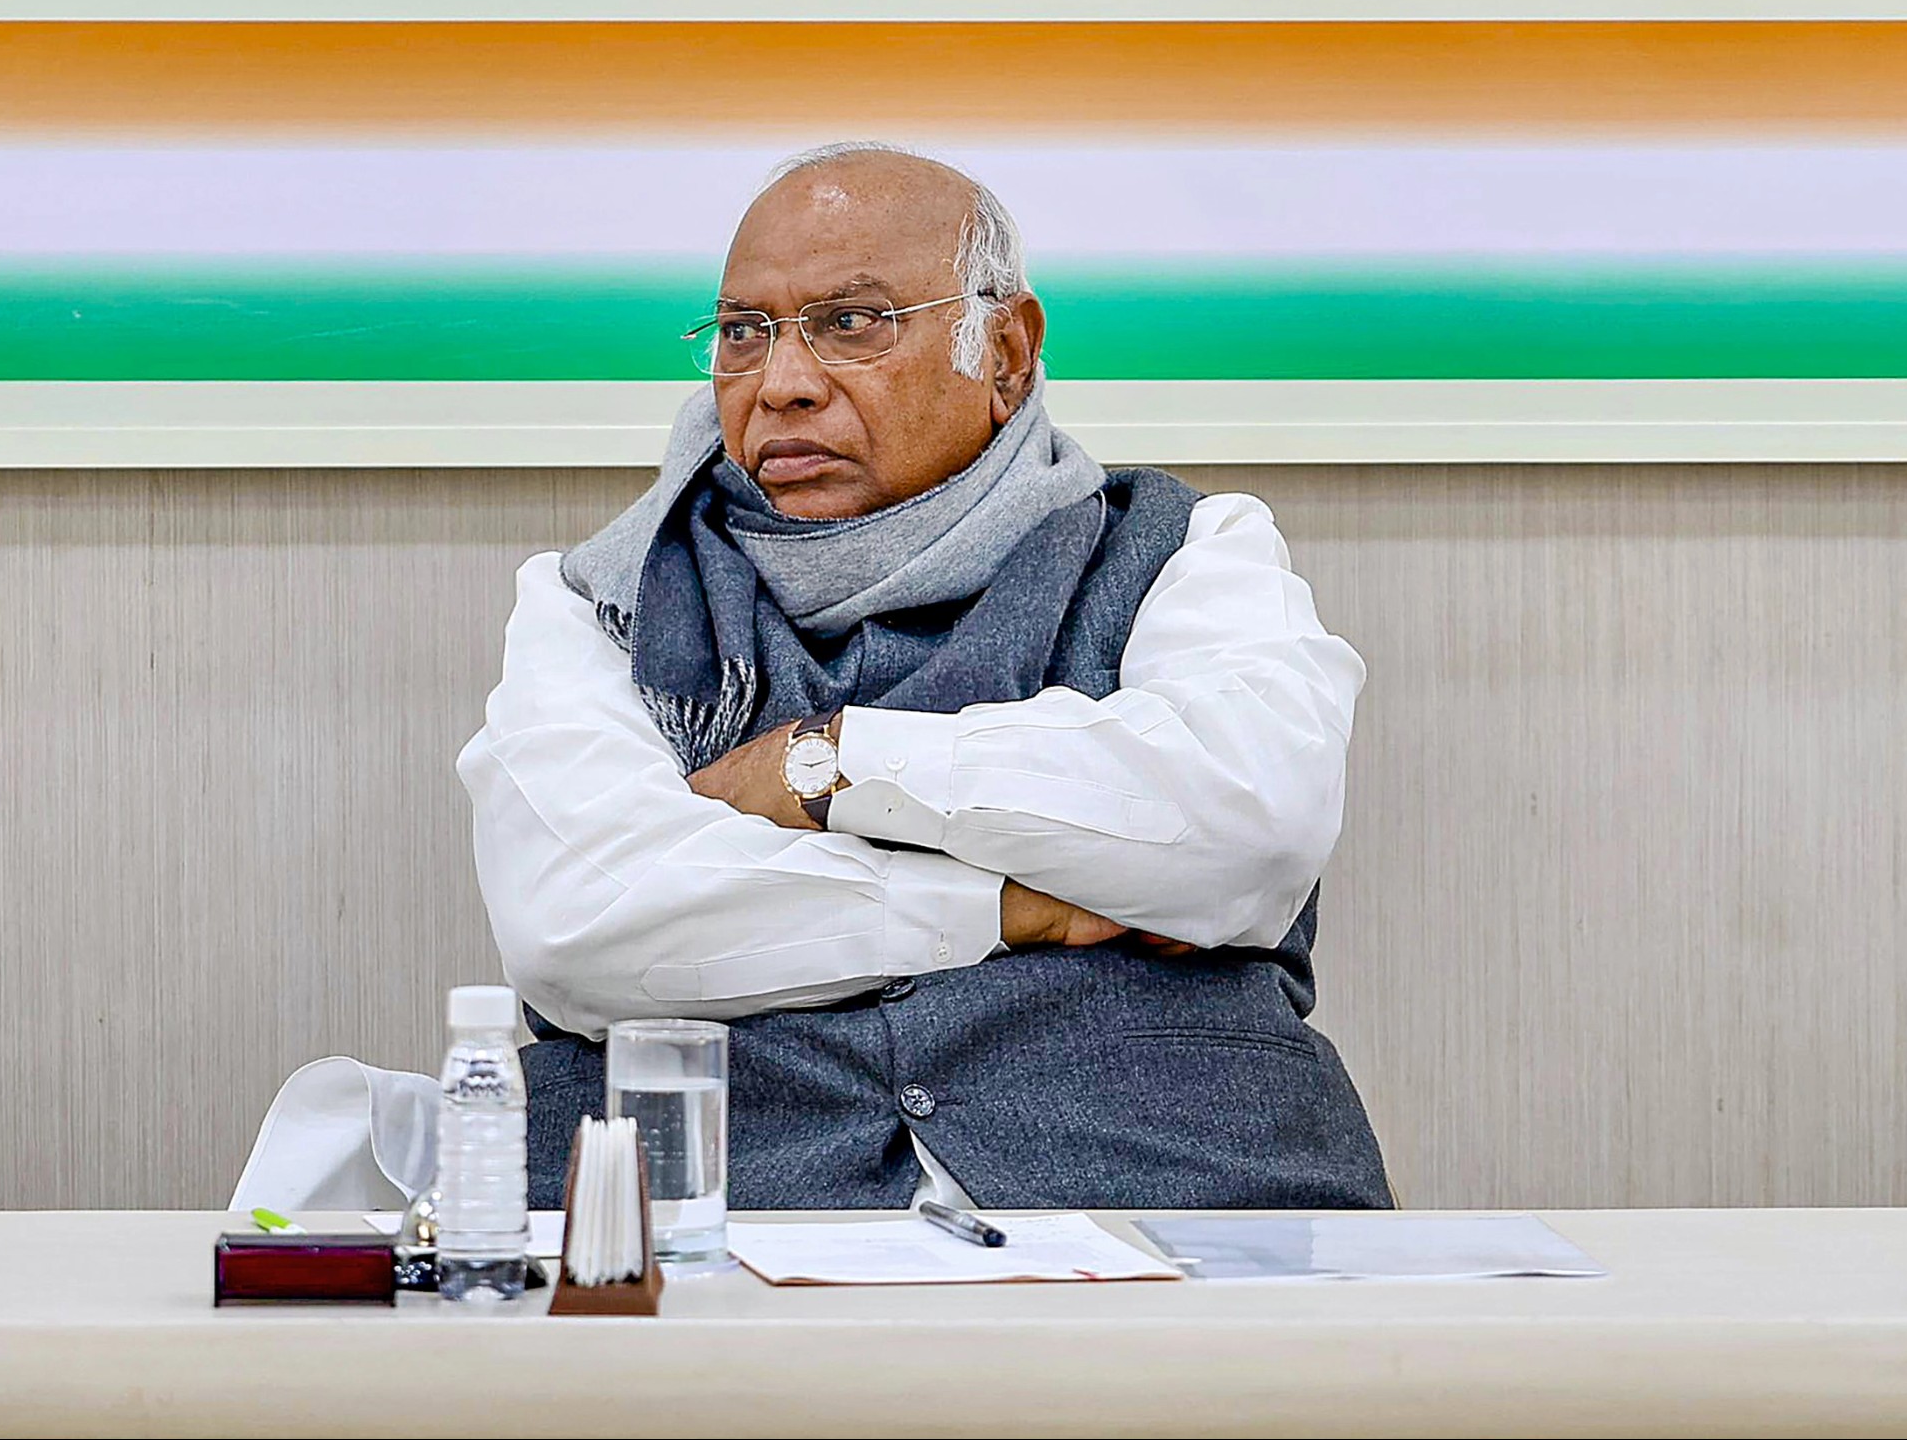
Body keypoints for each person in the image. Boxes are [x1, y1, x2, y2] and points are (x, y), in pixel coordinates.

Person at [461, 143, 1394, 1210]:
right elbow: (583, 923)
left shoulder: (1188, 548)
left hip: (1179, 1184)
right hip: (712, 1210)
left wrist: (832, 768)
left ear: (1004, 350)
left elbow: (1246, 825)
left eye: (849, 325)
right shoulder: (599, 600)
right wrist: (1014, 904)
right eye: (741, 334)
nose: (783, 384)